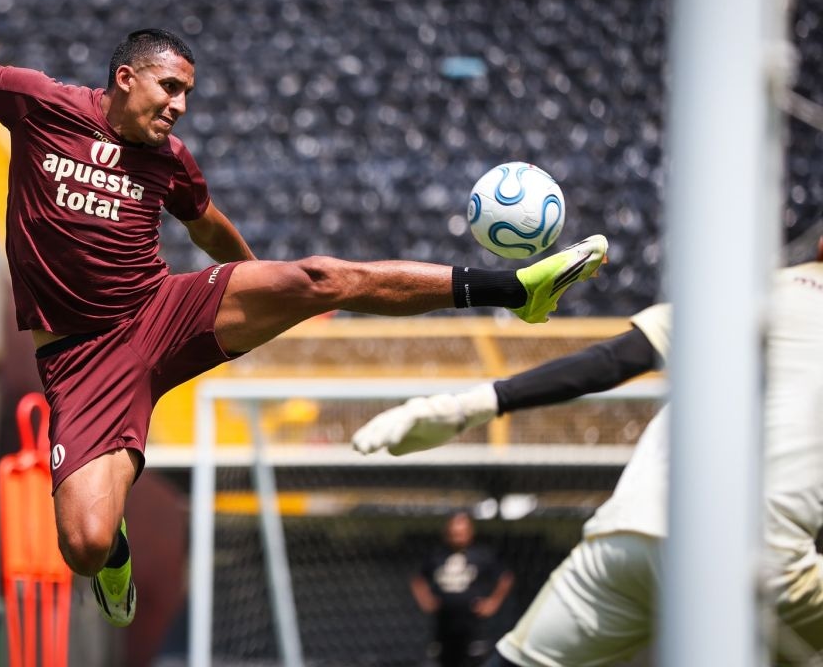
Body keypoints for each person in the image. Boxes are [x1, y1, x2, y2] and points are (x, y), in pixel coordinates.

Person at [0, 9, 608, 628]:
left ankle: (519, 289)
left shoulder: (171, 162)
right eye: (170, 88)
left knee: (325, 275)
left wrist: (264, 281)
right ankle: (112, 558)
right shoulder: (38, 104)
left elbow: (207, 225)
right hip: (83, 362)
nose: (180, 106)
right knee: (79, 542)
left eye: (187, 93)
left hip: (162, 309)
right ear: (124, 78)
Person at [352, 236, 823, 665]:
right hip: (761, 561)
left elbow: (615, 360)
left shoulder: (750, 294)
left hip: (631, 536)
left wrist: (465, 407)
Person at [415, 510, 515, 667]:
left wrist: (492, 602)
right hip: (444, 624)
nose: (457, 536)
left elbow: (505, 577)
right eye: (454, 533)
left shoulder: (483, 555)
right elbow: (419, 579)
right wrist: (426, 600)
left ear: (470, 532)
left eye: (461, 532)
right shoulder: (437, 556)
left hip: (474, 625)